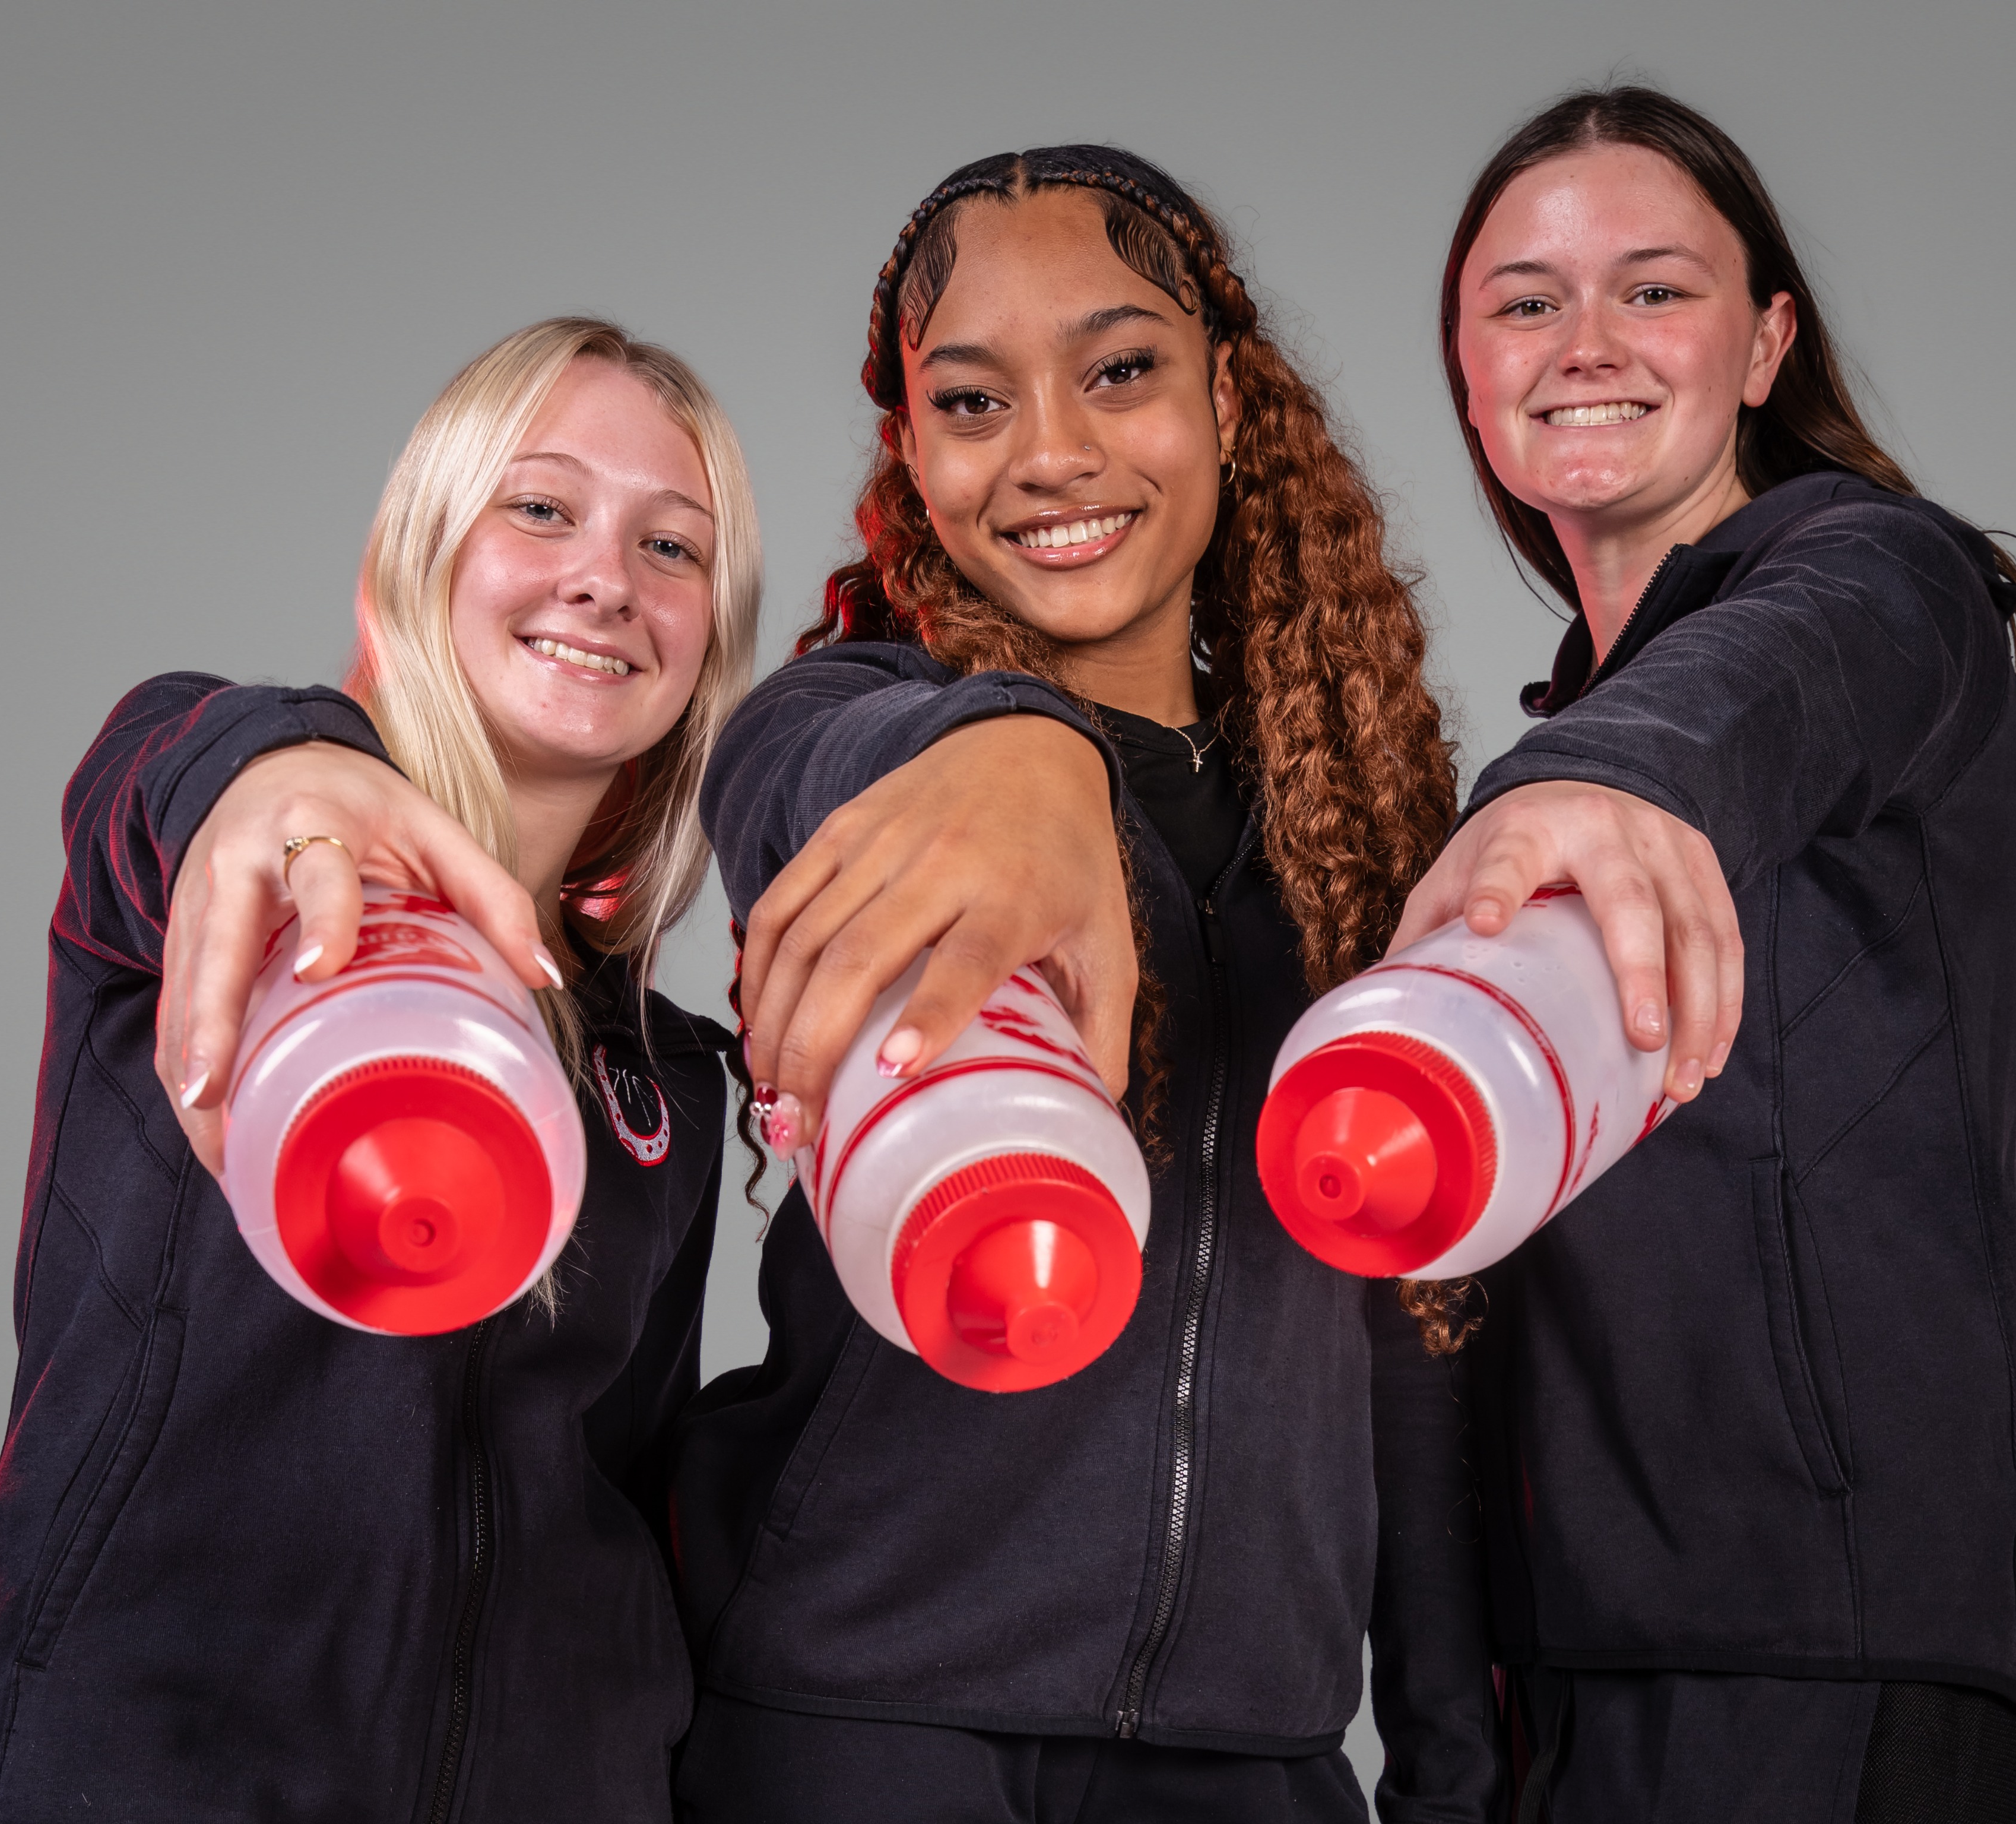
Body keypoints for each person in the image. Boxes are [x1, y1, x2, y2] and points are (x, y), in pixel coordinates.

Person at [673, 147, 1497, 1823]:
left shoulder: (1357, 832)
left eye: (1120, 371)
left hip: (1250, 1744)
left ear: (1227, 404)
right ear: (915, 459)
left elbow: (1416, 1348)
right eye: (972, 403)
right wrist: (1015, 743)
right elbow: (780, 784)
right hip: (861, 1714)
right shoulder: (853, 734)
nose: (1049, 451)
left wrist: (1453, 1771)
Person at [0, 318, 762, 1822]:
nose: (606, 579)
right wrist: (283, 772)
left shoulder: (669, 1084)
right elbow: (174, 770)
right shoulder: (237, 880)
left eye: (672, 547)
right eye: (541, 507)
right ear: (423, 544)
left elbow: (627, 1494)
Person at [1403, 87, 2016, 1822]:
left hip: (1827, 1638)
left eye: (1654, 289)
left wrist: (1604, 775)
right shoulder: (1560, 757)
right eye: (1526, 301)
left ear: (1766, 342)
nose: (1586, 342)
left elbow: (1778, 673)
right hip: (1576, 1649)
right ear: (1469, 370)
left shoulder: (1883, 587)